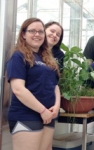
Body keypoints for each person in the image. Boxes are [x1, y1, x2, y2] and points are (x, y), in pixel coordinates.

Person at [6, 18, 61, 150]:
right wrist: (42, 110)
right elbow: (18, 89)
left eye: (40, 32)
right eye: (32, 31)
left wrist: (57, 106)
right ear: (23, 34)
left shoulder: (47, 59)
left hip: (48, 114)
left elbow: (55, 85)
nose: (37, 34)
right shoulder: (18, 56)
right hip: (26, 115)